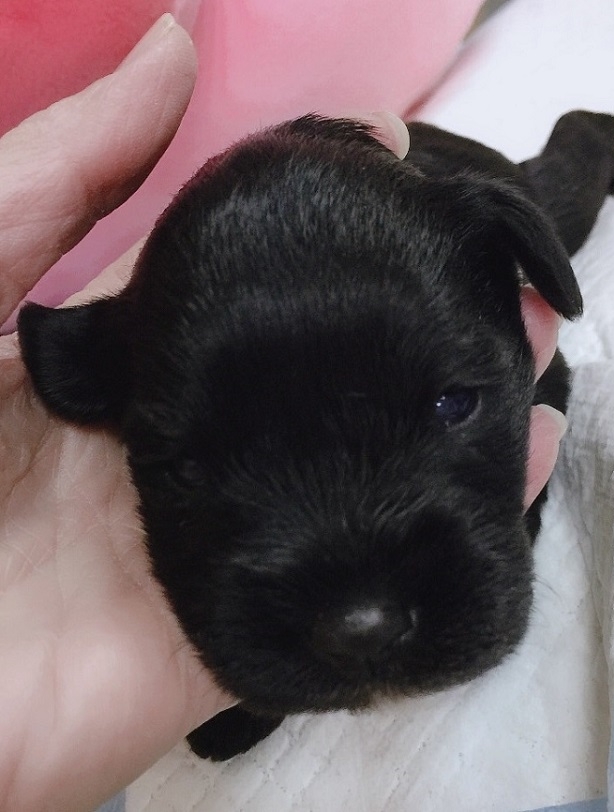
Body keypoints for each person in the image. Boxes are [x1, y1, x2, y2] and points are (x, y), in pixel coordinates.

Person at [0, 16, 567, 812]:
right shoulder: (108, 360)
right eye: (195, 467)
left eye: (451, 405)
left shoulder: (466, 226)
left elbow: (545, 350)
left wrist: (519, 511)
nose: (362, 619)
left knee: (548, 328)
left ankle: (589, 145)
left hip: (450, 181)